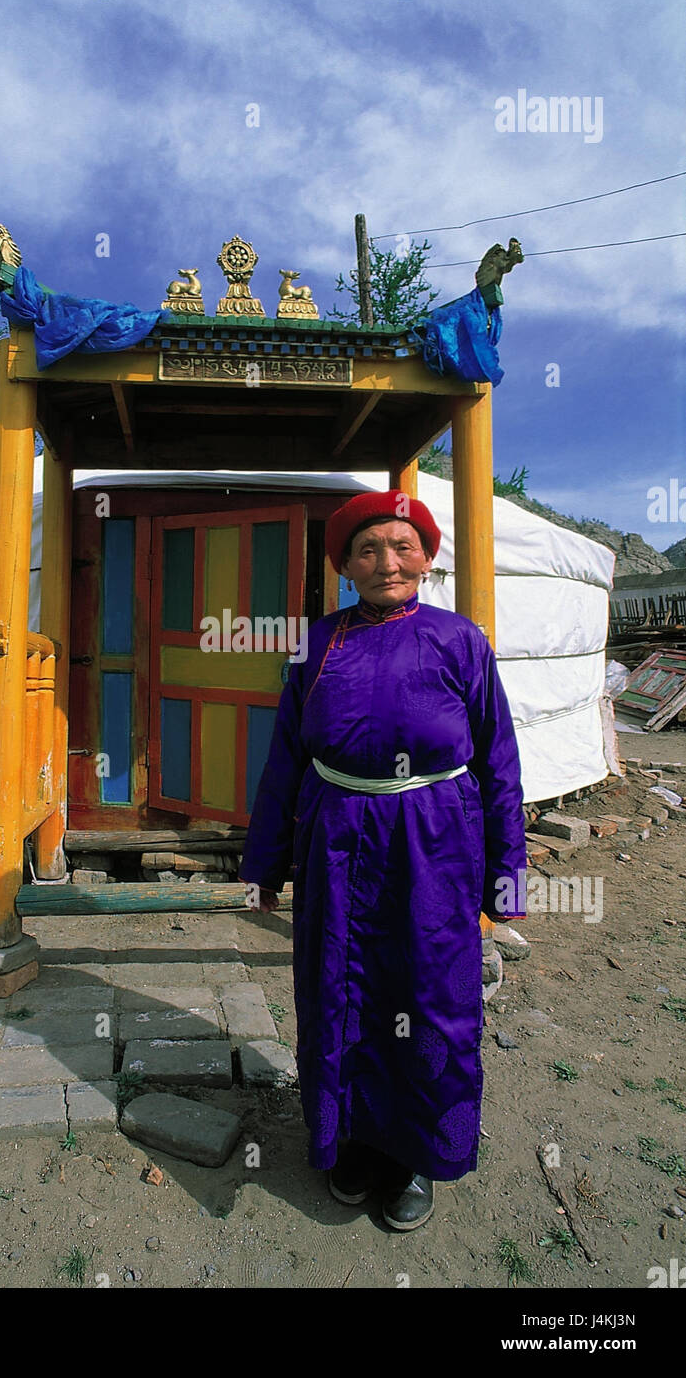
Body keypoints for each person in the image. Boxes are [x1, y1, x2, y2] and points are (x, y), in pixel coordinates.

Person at [238, 490, 527, 1231]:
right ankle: (350, 1143)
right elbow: (285, 761)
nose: (385, 562)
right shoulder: (318, 643)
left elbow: (498, 761)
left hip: (435, 840)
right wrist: (264, 865)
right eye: (367, 550)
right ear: (345, 565)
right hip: (335, 837)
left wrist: (506, 875)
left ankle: (414, 1157)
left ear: (426, 559)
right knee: (337, 989)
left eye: (401, 546)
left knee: (428, 995)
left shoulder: (460, 641)